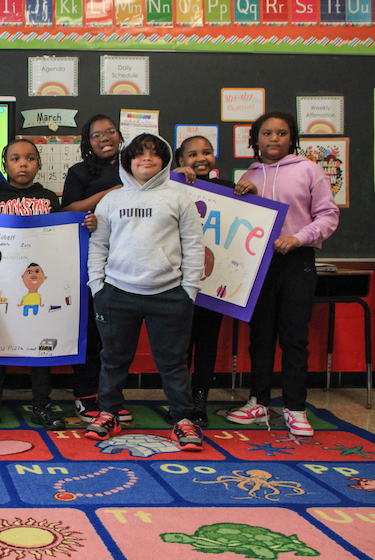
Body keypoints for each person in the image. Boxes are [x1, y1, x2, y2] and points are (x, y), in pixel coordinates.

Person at [85, 133, 205, 451]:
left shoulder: (179, 199)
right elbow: (98, 244)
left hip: (169, 295)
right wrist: (98, 286)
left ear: (165, 161)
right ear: (128, 161)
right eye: (139, 154)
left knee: (173, 362)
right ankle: (109, 413)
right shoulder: (111, 200)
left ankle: (183, 419)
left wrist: (189, 289)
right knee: (113, 359)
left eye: (153, 153)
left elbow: (194, 246)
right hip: (116, 293)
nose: (146, 159)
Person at [0, 139, 96, 431]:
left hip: (38, 282)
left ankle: (42, 404)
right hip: (0, 285)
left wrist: (85, 226)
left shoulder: (48, 198)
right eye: (15, 159)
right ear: (5, 165)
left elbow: (61, 236)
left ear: (39, 164)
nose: (22, 164)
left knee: (42, 346)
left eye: (29, 158)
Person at [225, 112, 339, 437]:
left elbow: (328, 215)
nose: (274, 138)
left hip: (296, 261)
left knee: (294, 337)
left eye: (282, 133)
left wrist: (299, 238)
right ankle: (258, 401)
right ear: (255, 139)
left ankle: (295, 408)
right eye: (267, 133)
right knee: (260, 336)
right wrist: (243, 196)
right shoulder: (249, 174)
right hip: (258, 265)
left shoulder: (309, 170)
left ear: (292, 138)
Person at [174, 136, 258, 425]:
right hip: (177, 283)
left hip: (213, 286)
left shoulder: (228, 190)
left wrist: (252, 193)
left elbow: (256, 219)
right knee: (179, 346)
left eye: (207, 152)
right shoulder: (171, 187)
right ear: (180, 160)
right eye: (192, 154)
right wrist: (175, 176)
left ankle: (199, 401)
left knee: (207, 343)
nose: (201, 158)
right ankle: (179, 401)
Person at [61, 114, 127, 423]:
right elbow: (70, 209)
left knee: (117, 333)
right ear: (88, 141)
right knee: (89, 328)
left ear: (119, 135)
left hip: (127, 258)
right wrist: (111, 193)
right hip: (90, 258)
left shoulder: (135, 166)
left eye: (110, 132)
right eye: (97, 135)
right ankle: (85, 394)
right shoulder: (79, 171)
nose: (105, 138)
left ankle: (112, 396)